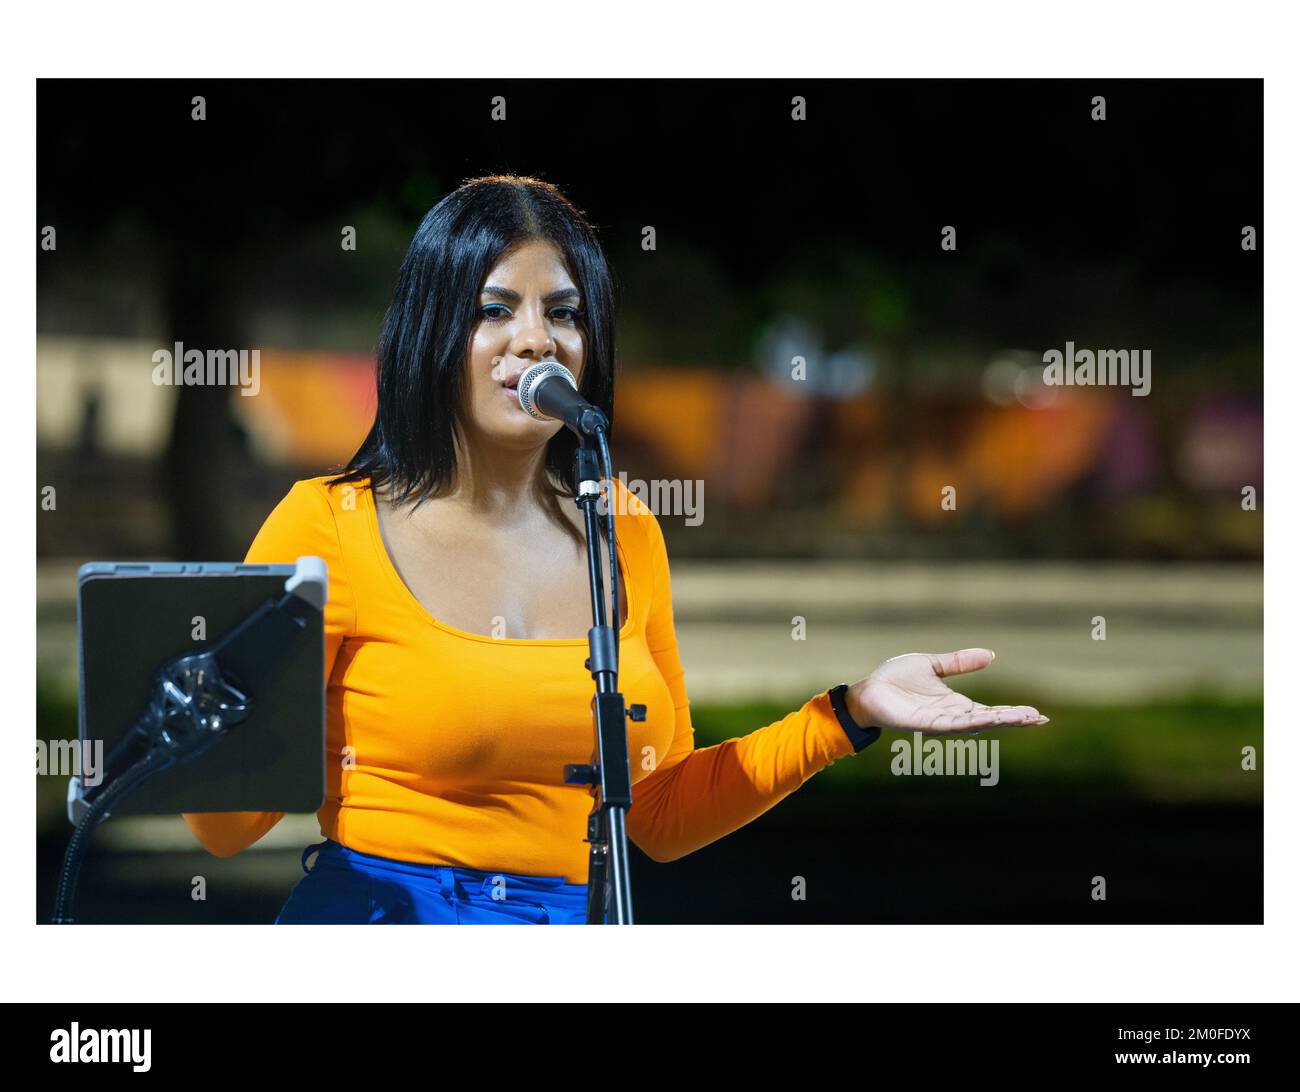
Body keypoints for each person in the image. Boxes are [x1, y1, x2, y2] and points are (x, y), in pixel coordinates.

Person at [182, 175, 1048, 924]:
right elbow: (226, 828)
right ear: (430, 335)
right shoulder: (328, 526)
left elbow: (660, 811)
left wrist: (847, 713)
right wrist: (190, 714)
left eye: (564, 313)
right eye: (493, 311)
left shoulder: (624, 526)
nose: (536, 339)